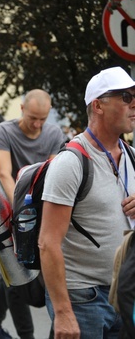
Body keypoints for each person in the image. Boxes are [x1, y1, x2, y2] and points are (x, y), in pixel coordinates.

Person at [39, 66, 135, 338]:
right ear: (99, 105)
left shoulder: (131, 156)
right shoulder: (71, 162)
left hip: (124, 291)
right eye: (126, 97)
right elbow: (48, 243)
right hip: (83, 298)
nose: (134, 104)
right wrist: (63, 312)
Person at [0, 89, 66, 339]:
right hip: (10, 209)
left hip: (41, 210)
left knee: (11, 274)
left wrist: (41, 214)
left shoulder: (53, 133)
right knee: (15, 277)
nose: (38, 124)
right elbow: (4, 173)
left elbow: (53, 174)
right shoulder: (4, 131)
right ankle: (25, 335)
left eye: (43, 118)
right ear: (21, 109)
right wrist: (22, 212)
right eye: (33, 118)